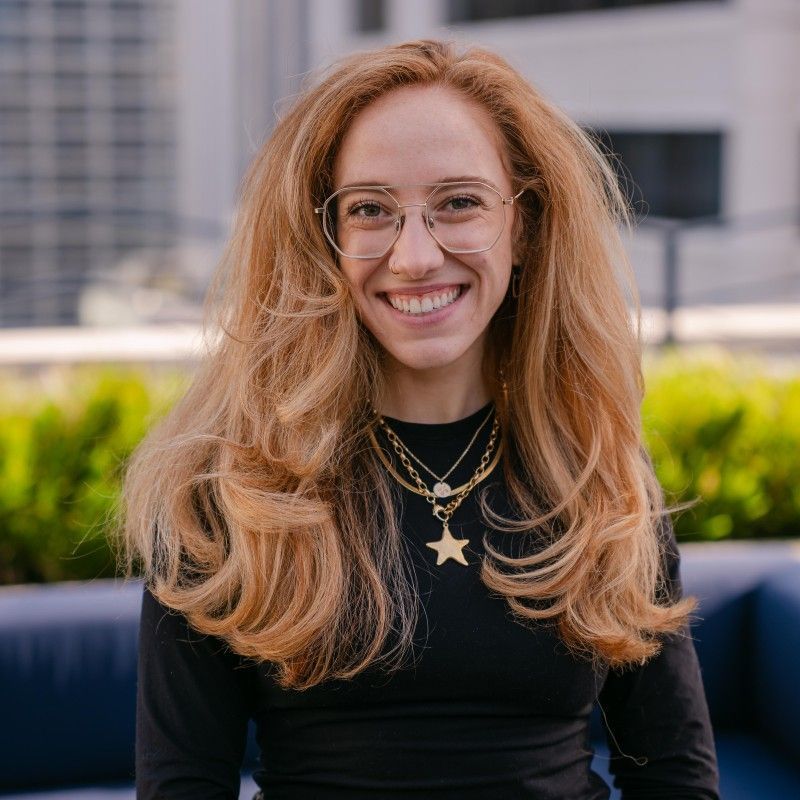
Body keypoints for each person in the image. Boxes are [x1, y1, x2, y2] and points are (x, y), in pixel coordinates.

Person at [122, 39, 720, 799]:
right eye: (370, 209)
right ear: (324, 238)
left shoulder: (601, 472)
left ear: (525, 224)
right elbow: (181, 785)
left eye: (459, 202)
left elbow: (675, 776)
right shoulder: (222, 489)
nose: (414, 257)